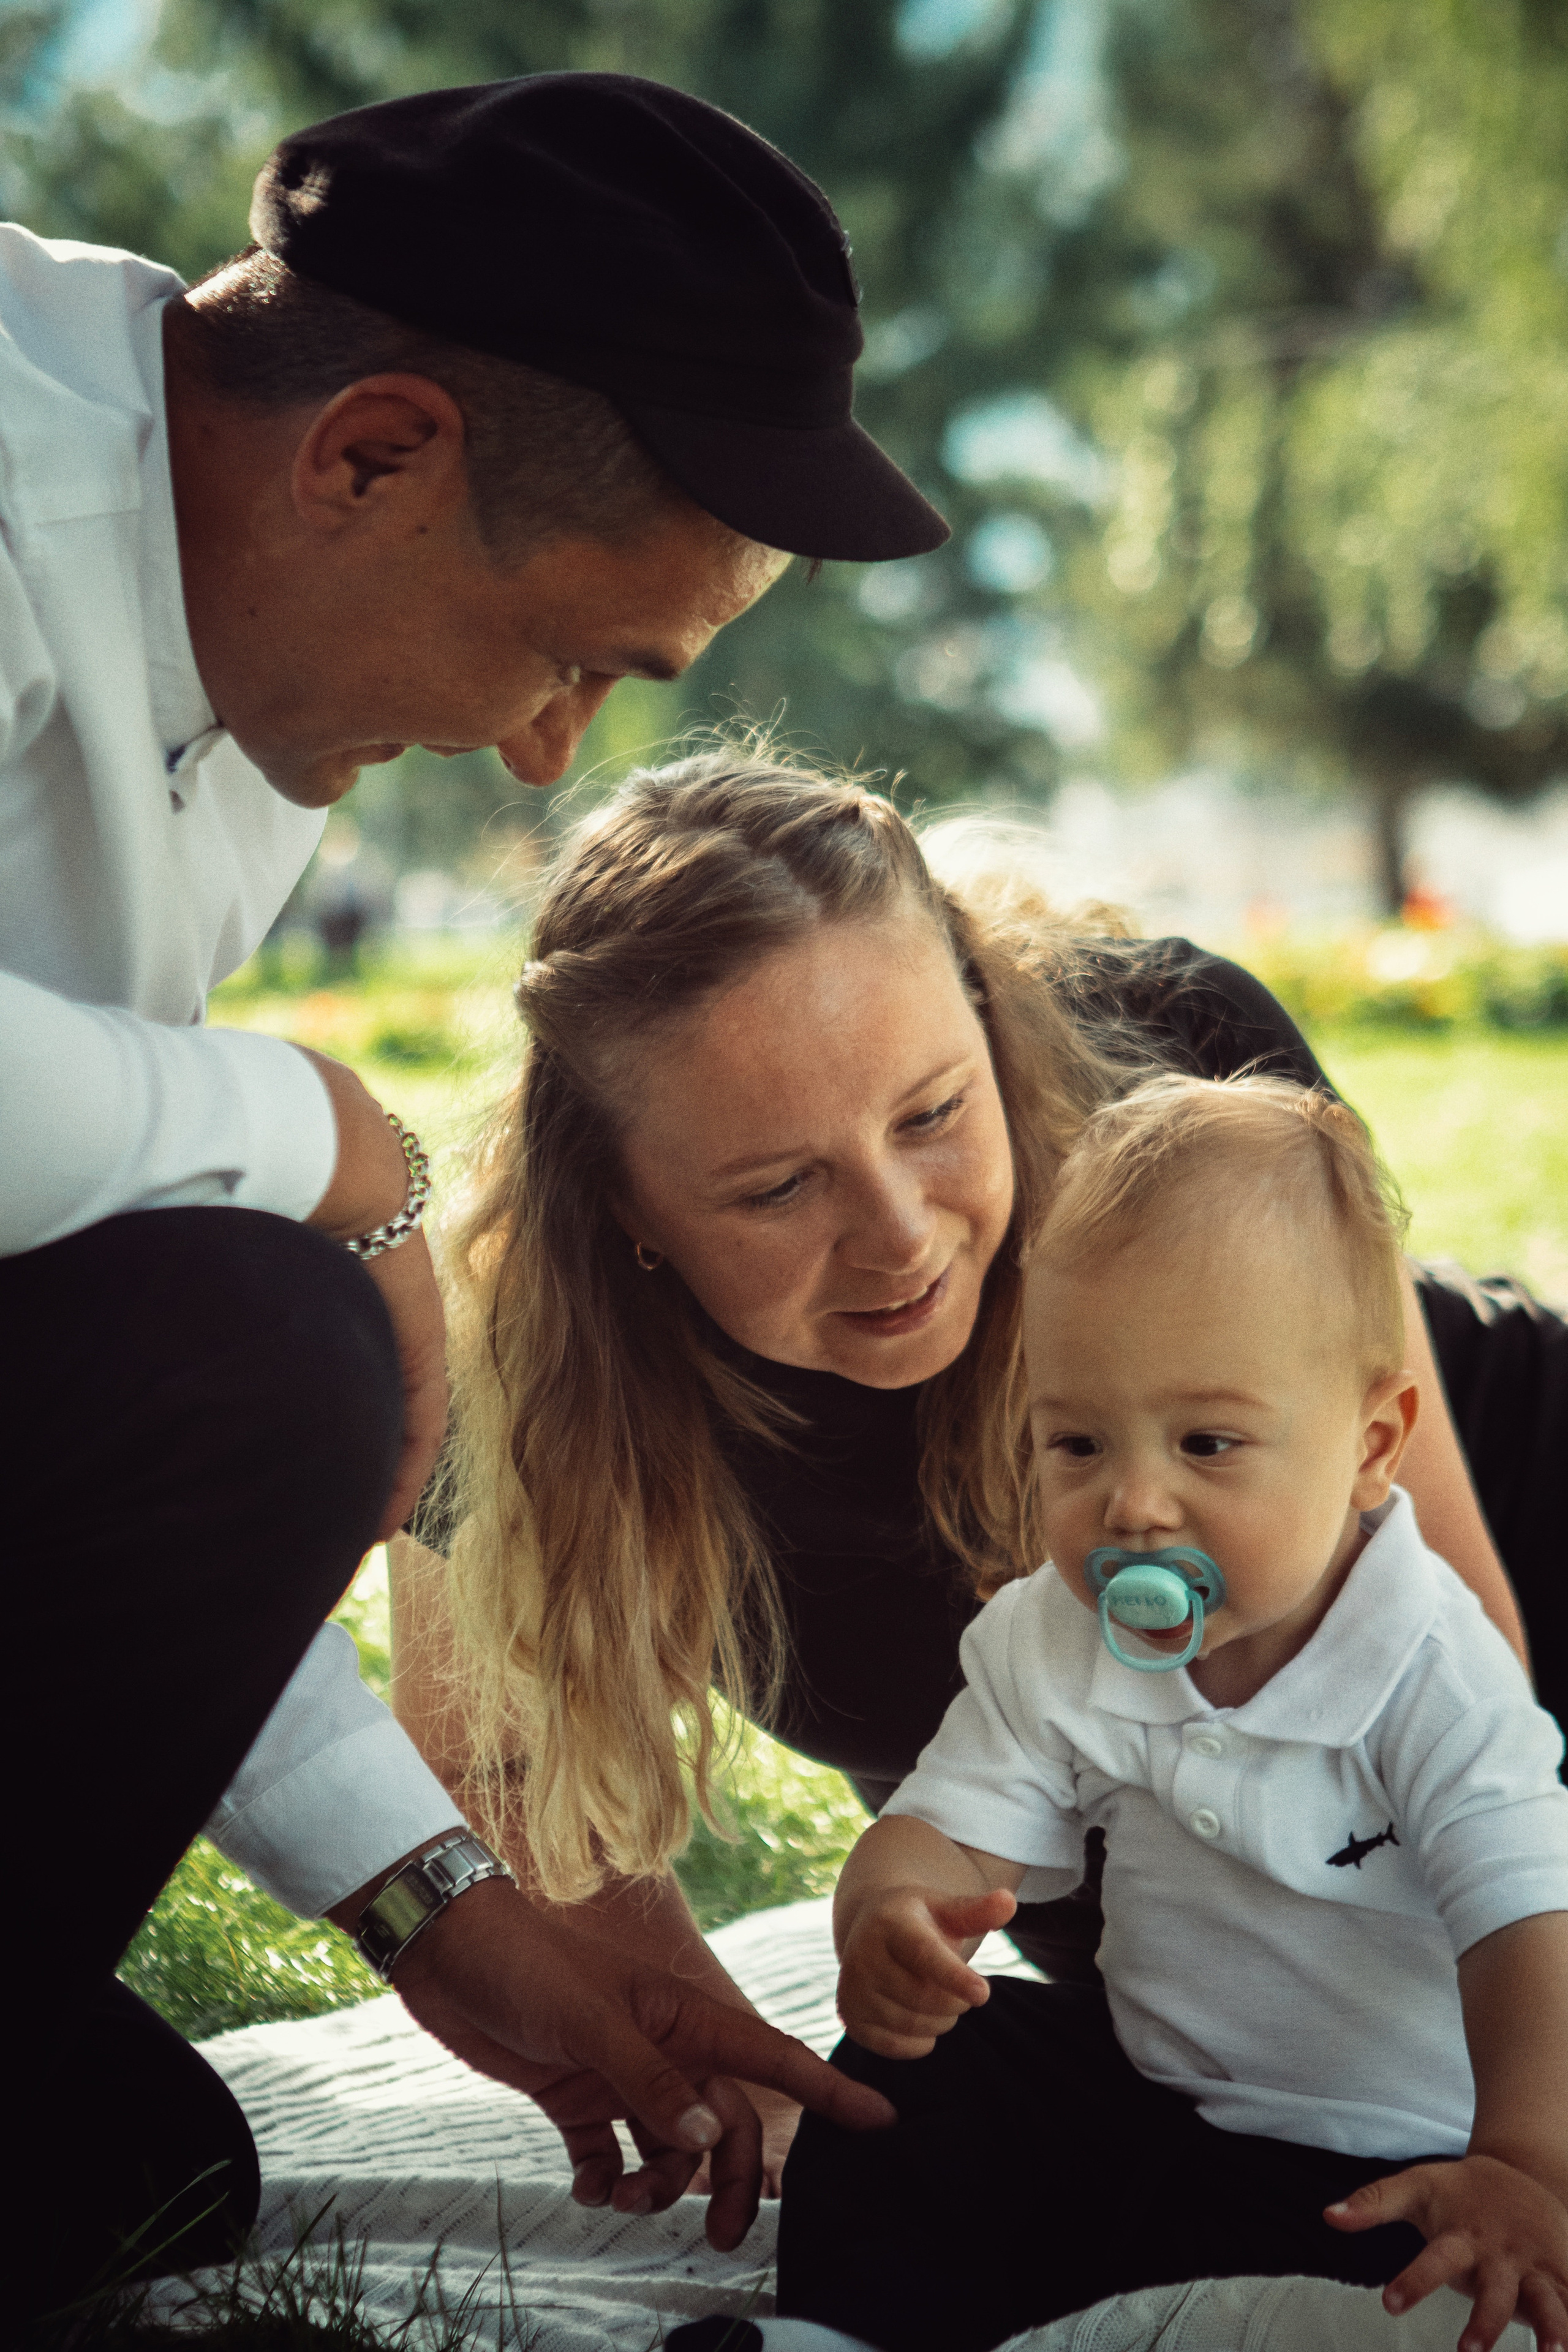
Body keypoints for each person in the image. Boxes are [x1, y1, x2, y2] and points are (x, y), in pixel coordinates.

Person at [4, 75, 946, 2315]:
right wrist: (325, 1134)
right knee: (270, 1326)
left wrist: (445, 1909)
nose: (548, 757)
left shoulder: (246, 683)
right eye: (572, 662)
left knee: (136, 2172)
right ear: (370, 456)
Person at [393, 750, 1566, 2222]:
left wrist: (1505, 2131)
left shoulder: (1171, 1042)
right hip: (1212, 1966)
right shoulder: (517, 1384)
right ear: (620, 1208)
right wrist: (736, 2080)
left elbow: (1465, 1665)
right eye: (774, 1189)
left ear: (983, 1012)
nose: (897, 1236)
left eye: (934, 1112)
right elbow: (488, 1772)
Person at [768, 1075, 1568, 2352]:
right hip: (1155, 2107)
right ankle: (842, 2332)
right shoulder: (1054, 1631)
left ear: (1369, 1447)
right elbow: (950, 1830)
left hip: (1406, 2166)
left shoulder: (1426, 1664)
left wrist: (1524, 2162)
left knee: (1478, 2287)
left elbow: (1526, 1919)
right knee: (912, 2087)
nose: (1133, 1508)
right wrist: (890, 1916)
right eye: (1075, 1445)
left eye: (1205, 1445)